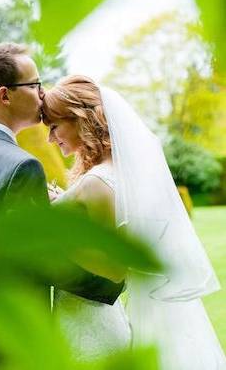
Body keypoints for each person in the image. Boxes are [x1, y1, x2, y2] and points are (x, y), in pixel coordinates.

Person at [43, 75, 226, 368]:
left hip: (89, 324)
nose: (50, 138)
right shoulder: (116, 173)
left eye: (54, 127)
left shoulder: (97, 181)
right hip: (100, 315)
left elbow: (114, 268)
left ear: (80, 119)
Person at [0, 43, 124, 306]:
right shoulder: (21, 167)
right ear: (5, 96)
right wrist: (113, 285)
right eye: (35, 85)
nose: (43, 95)